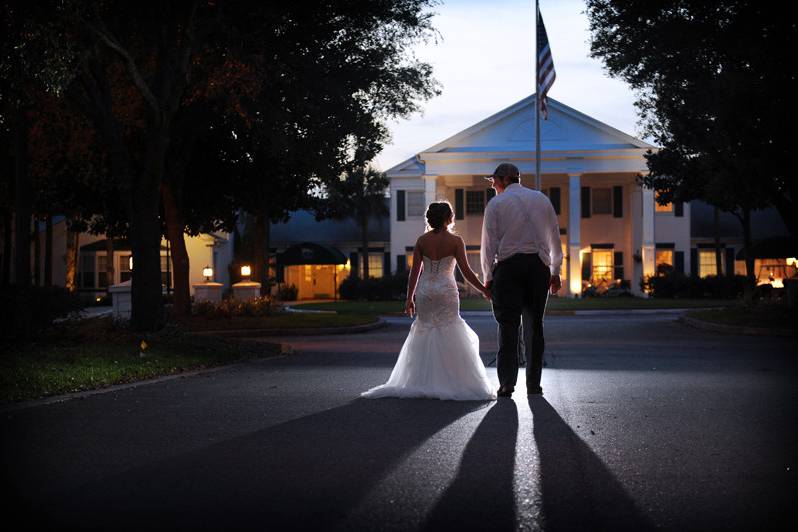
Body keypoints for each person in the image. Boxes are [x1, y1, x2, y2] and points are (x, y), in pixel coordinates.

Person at [361, 201, 496, 401]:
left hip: (425, 291)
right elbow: (466, 272)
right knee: (449, 327)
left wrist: (409, 298)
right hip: (447, 291)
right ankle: (450, 381)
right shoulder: (456, 241)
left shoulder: (422, 241)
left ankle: (421, 381)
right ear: (448, 218)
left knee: (425, 328)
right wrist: (484, 289)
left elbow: (415, 272)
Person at [481, 162, 562, 398]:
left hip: (508, 268)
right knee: (535, 326)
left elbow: (488, 245)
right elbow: (554, 235)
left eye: (494, 180)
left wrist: (488, 277)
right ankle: (533, 385)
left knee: (508, 326)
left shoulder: (496, 203)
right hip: (538, 268)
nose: (493, 185)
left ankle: (507, 383)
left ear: (505, 179)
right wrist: (555, 271)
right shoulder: (542, 199)